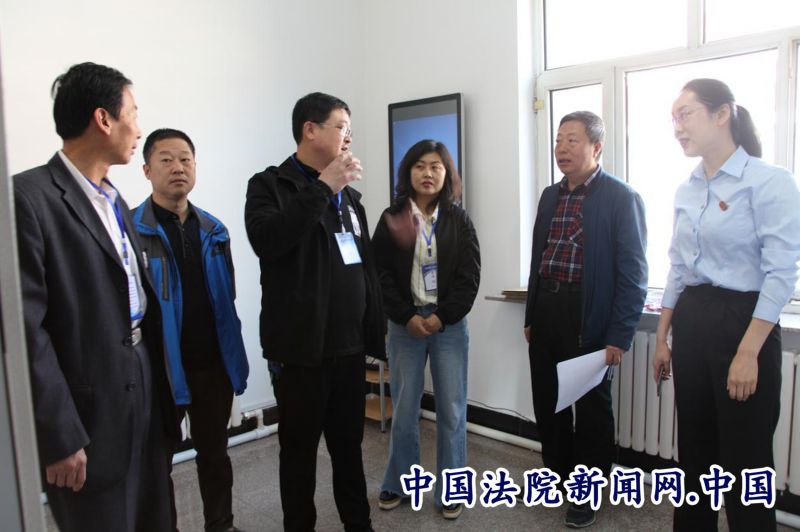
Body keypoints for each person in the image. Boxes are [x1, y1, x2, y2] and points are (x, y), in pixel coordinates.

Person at [13, 62, 179, 532]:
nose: (139, 128)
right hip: (87, 406)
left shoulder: (114, 199)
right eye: (134, 112)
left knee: (153, 513)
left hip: (141, 380)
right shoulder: (28, 199)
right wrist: (59, 435)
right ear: (104, 119)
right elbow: (26, 331)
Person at [653, 78, 800, 532]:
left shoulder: (769, 181)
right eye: (673, 119)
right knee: (695, 456)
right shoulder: (687, 188)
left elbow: (781, 273)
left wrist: (748, 352)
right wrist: (662, 337)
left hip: (744, 324)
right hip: (693, 320)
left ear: (722, 115)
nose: (677, 127)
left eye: (686, 114)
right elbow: (679, 267)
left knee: (745, 460)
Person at [244, 92, 385, 532]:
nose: (349, 138)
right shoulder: (269, 186)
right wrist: (324, 187)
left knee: (349, 451)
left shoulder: (351, 199)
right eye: (342, 127)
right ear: (310, 129)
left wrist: (374, 333)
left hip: (349, 350)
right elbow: (269, 241)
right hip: (300, 353)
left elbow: (364, 270)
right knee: (299, 458)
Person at [523, 111, 648, 528]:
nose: (561, 148)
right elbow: (539, 259)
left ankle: (588, 490)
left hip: (589, 314)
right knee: (548, 401)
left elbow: (633, 275)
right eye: (558, 140)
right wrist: (531, 314)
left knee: (592, 409)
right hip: (547, 311)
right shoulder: (549, 195)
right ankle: (558, 474)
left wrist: (619, 336)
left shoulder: (621, 197)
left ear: (597, 147)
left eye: (572, 140)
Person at [133, 128, 249, 532]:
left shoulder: (214, 230)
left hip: (210, 364)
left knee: (215, 454)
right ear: (147, 170)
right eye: (166, 160)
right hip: (158, 369)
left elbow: (227, 298)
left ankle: (221, 524)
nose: (177, 167)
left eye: (185, 159)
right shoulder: (132, 232)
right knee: (156, 463)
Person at [372, 140, 480, 520]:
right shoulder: (392, 217)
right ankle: (400, 482)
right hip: (405, 326)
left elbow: (469, 277)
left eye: (436, 166)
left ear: (447, 173)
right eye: (419, 165)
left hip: (447, 325)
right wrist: (406, 316)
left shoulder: (458, 220)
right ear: (408, 172)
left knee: (451, 408)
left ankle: (452, 488)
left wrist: (441, 317)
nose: (428, 173)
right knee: (404, 408)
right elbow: (380, 274)